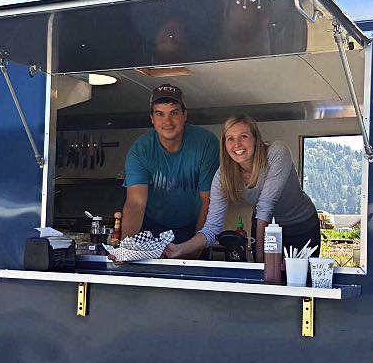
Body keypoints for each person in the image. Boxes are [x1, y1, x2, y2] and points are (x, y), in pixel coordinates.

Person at [164, 114, 320, 260]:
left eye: (243, 137)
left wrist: (260, 264)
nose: (237, 144)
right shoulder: (223, 175)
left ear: (255, 139)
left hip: (300, 224)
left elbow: (266, 206)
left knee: (300, 281)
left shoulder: (277, 152)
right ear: (224, 144)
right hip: (264, 224)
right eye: (230, 139)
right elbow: (212, 228)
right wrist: (179, 248)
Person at [121, 84, 219, 244]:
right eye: (160, 114)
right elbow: (135, 203)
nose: (167, 121)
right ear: (152, 118)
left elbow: (207, 200)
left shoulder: (206, 143)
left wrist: (194, 247)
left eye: (174, 113)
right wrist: (126, 248)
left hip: (193, 227)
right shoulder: (140, 150)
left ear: (184, 115)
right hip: (150, 228)